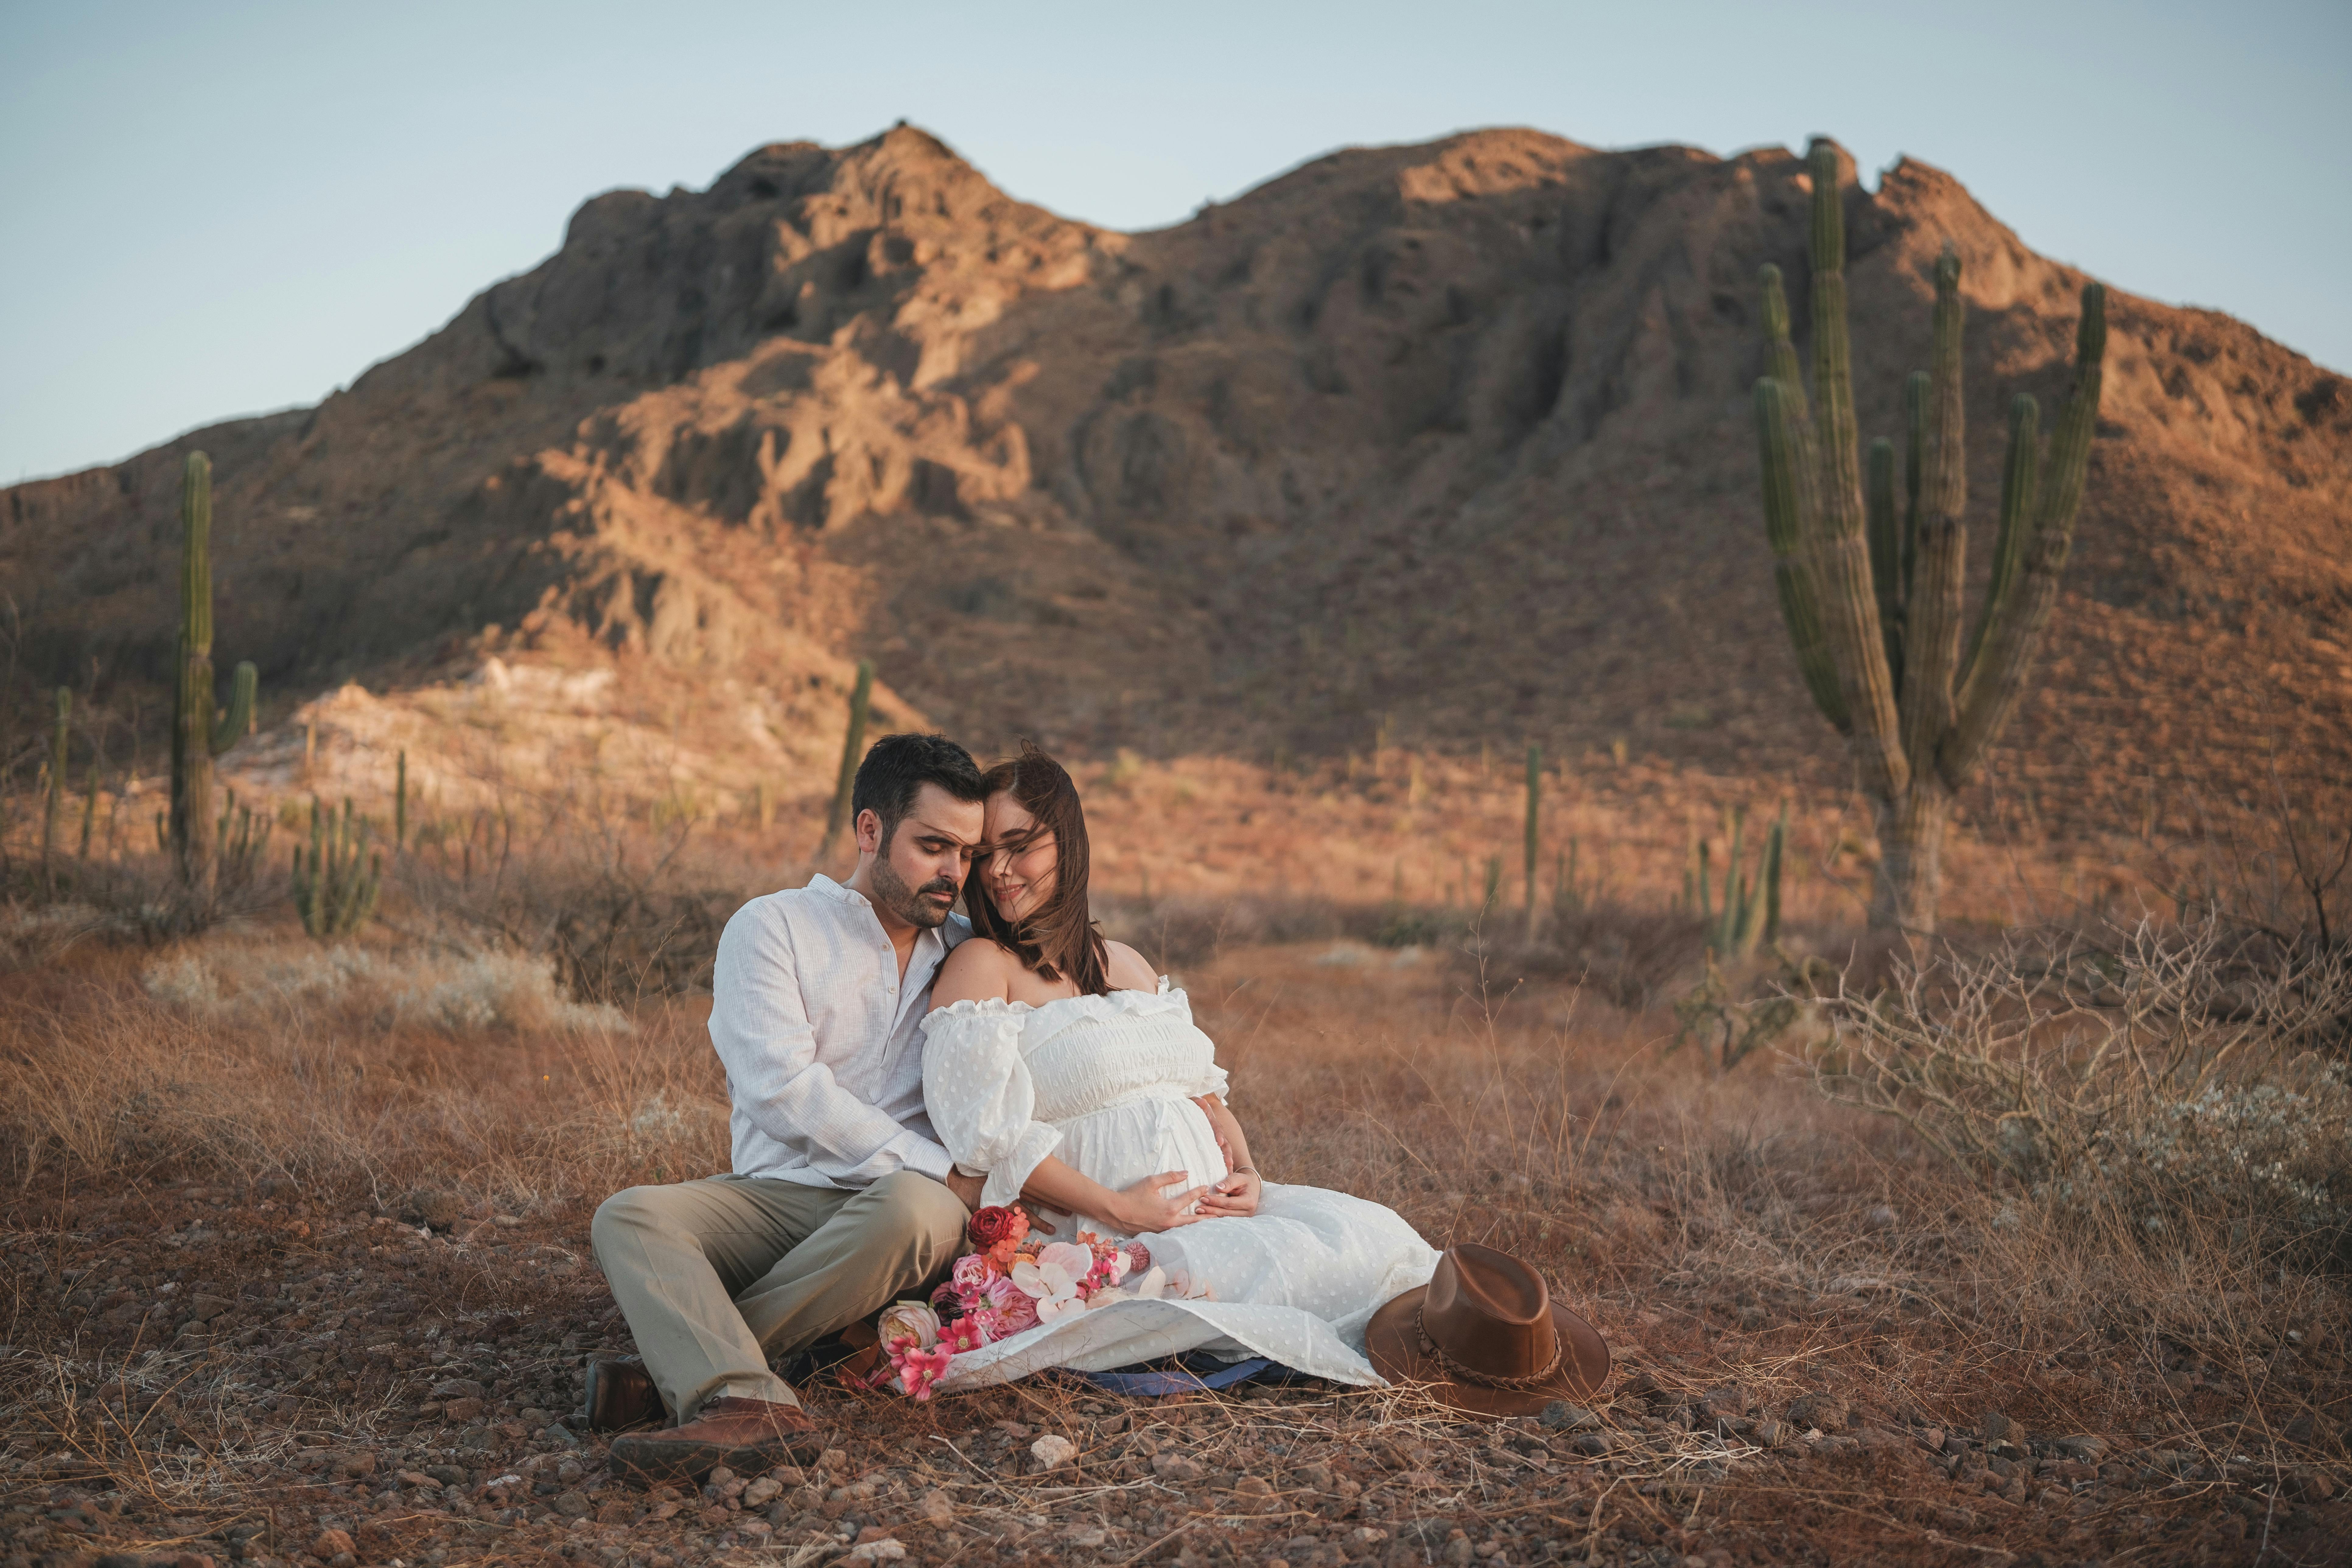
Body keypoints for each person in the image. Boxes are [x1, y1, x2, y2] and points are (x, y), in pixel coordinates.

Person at [916, 743, 1443, 1391]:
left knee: (1376, 1242)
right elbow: (982, 1138)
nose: (999, 870)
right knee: (1267, 1281)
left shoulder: (1128, 964)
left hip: (1208, 1211)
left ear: (1069, 844)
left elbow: (1200, 1092)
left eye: (1020, 845)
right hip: (1106, 1229)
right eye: (985, 852)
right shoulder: (983, 966)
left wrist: (1248, 1170)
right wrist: (1122, 1206)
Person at [587, 733, 992, 1483]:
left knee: (917, 1209)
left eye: (966, 853)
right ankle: (751, 1395)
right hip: (780, 1198)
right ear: (870, 829)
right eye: (933, 845)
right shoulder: (773, 927)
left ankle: (697, 1374)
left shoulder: (968, 951)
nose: (953, 872)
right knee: (631, 1216)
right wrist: (942, 1166)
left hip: (905, 1215)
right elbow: (781, 1089)